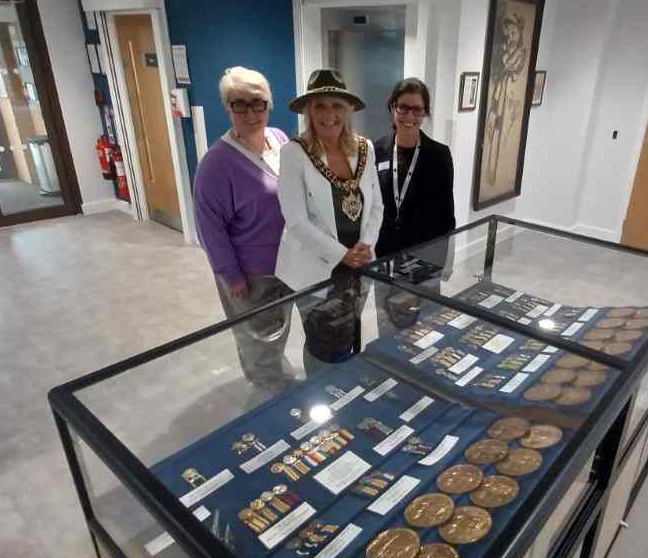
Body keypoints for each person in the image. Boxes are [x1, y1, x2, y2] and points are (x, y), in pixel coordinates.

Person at [194, 67, 293, 394]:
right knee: (258, 340)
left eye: (258, 103)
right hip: (251, 274)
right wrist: (230, 275)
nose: (251, 112)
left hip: (289, 263)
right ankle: (270, 400)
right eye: (240, 104)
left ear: (270, 105)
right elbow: (209, 227)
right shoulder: (216, 164)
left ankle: (276, 377)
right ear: (227, 107)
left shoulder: (279, 139)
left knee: (278, 329)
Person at [275, 69, 383, 366]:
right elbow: (295, 220)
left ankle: (346, 392)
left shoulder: (365, 148)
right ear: (308, 111)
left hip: (359, 263)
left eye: (337, 105)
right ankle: (320, 402)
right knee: (323, 345)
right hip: (316, 268)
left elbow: (377, 206)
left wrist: (365, 245)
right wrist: (343, 254)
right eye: (319, 105)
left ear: (348, 109)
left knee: (349, 334)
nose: (328, 114)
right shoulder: (293, 153)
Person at [374, 77, 455, 259]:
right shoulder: (378, 150)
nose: (409, 116)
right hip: (385, 254)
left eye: (417, 109)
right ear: (393, 108)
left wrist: (447, 260)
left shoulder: (439, 155)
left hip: (425, 256)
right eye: (403, 107)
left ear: (425, 113)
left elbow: (446, 213)